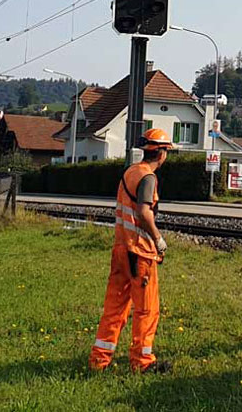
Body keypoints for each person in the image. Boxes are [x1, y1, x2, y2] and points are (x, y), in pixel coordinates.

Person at [89, 127, 175, 373]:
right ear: (161, 153)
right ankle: (142, 362)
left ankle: (99, 360)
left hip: (121, 249)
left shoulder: (130, 172)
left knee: (115, 308)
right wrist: (158, 239)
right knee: (147, 310)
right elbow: (144, 212)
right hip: (140, 253)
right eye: (167, 151)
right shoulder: (148, 177)